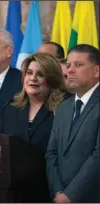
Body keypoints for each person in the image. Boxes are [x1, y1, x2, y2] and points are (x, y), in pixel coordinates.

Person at [0, 53, 66, 202]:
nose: (33, 78)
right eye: (29, 73)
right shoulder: (10, 108)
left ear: (51, 79)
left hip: (50, 191)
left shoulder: (64, 109)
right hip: (13, 192)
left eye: (40, 74)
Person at [46, 44, 99, 203]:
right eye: (68, 65)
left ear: (97, 71)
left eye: (79, 65)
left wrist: (71, 195)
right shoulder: (63, 108)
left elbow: (98, 156)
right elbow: (51, 154)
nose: (70, 70)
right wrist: (58, 192)